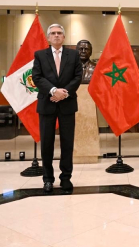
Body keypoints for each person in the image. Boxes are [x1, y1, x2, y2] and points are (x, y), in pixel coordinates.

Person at [32, 24, 83, 193]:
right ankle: (47, 179)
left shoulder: (74, 55)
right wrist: (54, 91)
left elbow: (78, 77)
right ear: (48, 37)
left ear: (64, 37)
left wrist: (64, 93)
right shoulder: (40, 55)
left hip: (67, 105)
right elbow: (37, 77)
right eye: (53, 33)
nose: (56, 36)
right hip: (47, 104)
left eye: (59, 33)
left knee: (67, 144)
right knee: (47, 144)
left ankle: (65, 179)